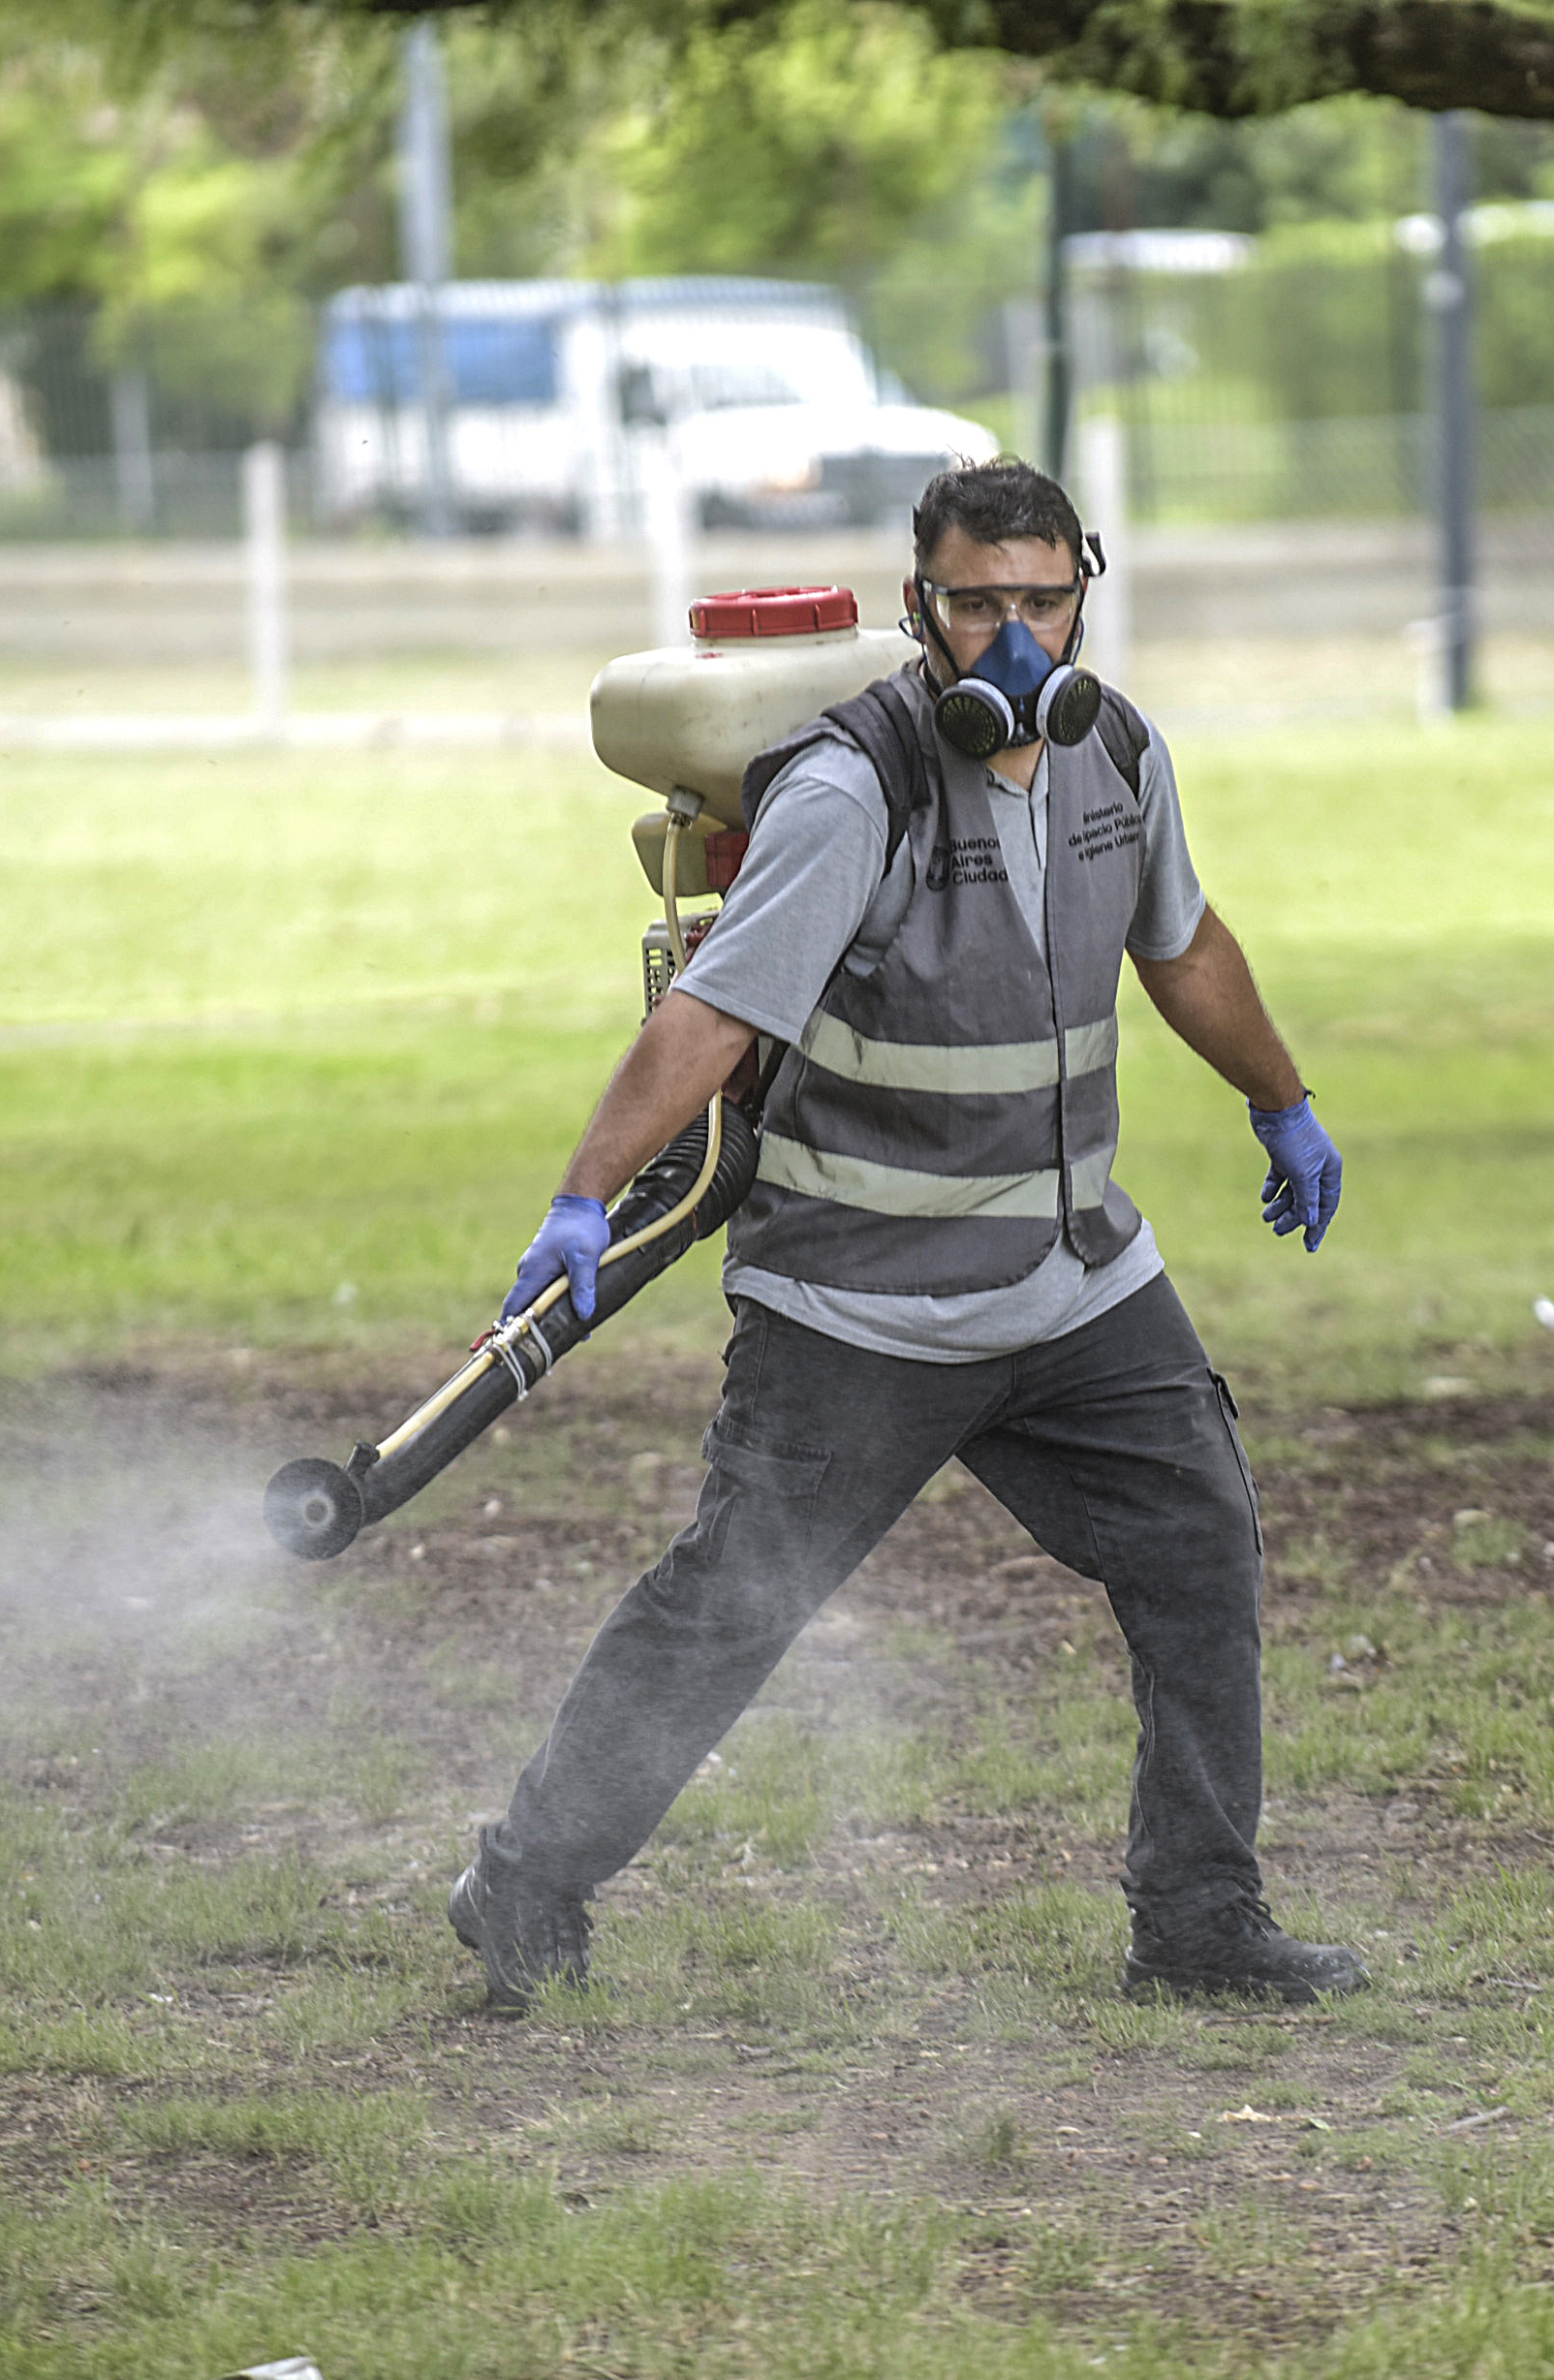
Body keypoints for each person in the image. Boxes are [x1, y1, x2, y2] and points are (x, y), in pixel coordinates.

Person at [446, 458, 1358, 2012]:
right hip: (858, 1304)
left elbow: (1182, 941)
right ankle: (524, 1883)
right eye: (979, 602)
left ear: (1086, 592)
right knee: (731, 1608)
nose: (1016, 638)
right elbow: (719, 1012)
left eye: (1044, 600)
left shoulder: (1117, 753)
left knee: (1201, 1543)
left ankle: (1199, 1923)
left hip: (1072, 1283)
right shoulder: (846, 788)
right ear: (920, 607)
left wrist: (1284, 1100)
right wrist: (590, 1189)